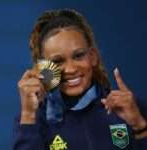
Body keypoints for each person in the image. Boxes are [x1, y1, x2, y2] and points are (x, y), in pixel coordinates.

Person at [13, 9, 147, 150]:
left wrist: (140, 126)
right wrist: (28, 114)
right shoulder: (33, 119)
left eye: (78, 56)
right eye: (58, 61)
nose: (70, 69)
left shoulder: (130, 108)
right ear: (43, 68)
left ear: (93, 56)